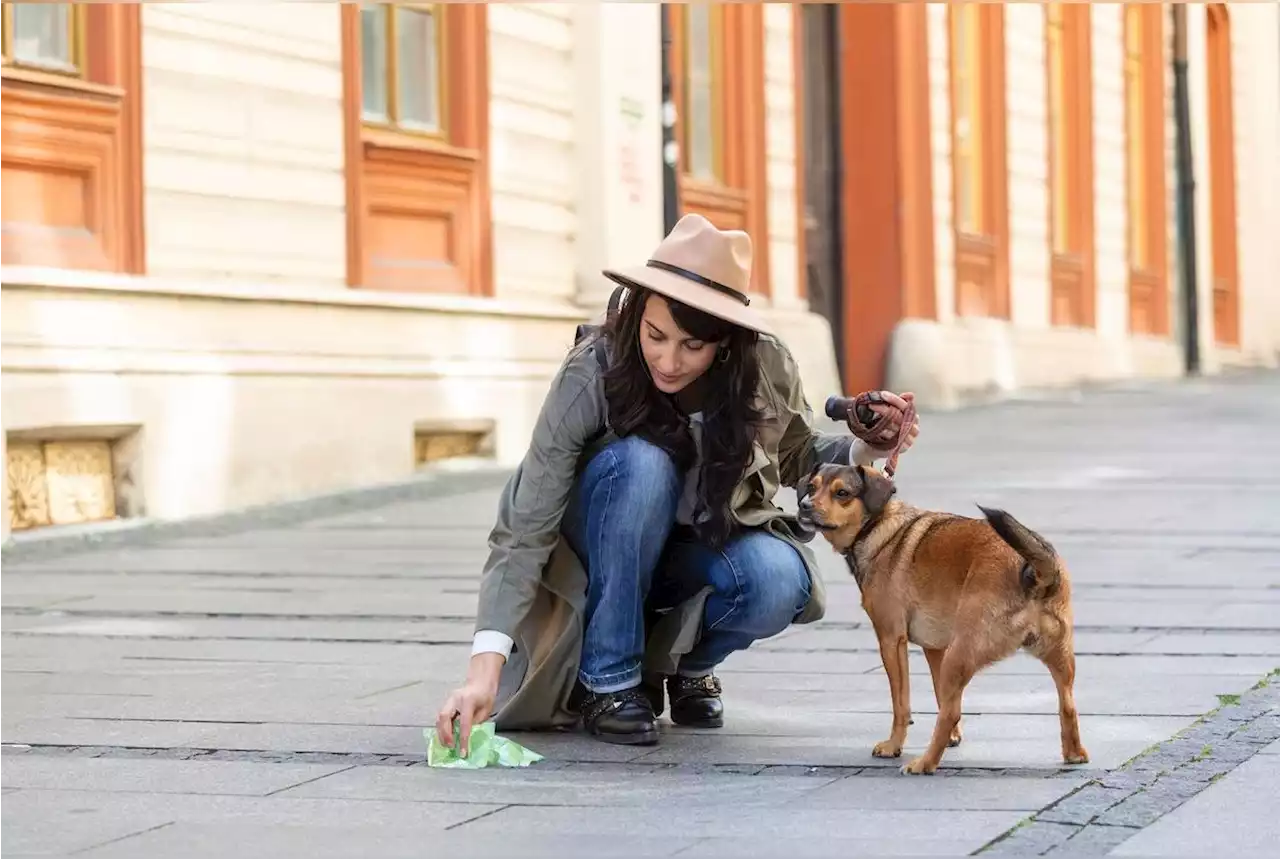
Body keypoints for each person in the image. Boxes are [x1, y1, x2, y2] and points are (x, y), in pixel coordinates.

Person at [435, 213, 920, 751]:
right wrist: (484, 670)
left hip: (695, 551)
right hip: (599, 555)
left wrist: (867, 446)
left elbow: (799, 456)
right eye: (656, 336)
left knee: (780, 578)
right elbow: (524, 525)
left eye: (693, 346)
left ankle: (680, 668)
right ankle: (610, 680)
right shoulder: (593, 372)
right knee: (642, 463)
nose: (669, 360)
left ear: (725, 344)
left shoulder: (761, 368)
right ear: (638, 313)